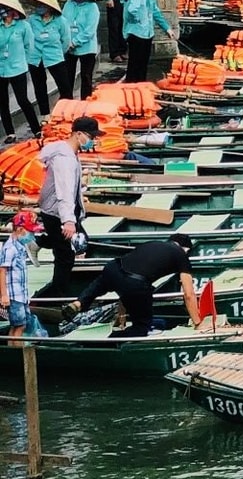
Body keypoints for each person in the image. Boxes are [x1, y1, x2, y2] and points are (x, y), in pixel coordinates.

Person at [66, 234, 196, 338]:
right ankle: (111, 339)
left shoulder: (152, 244)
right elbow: (189, 294)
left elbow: (128, 273)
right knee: (140, 328)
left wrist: (122, 314)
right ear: (186, 249)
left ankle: (78, 303)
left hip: (113, 268)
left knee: (96, 288)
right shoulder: (180, 255)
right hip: (135, 283)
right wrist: (198, 323)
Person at [34, 115, 95, 297]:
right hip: (57, 212)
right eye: (91, 137)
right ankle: (58, 297)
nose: (93, 141)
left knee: (81, 242)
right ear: (78, 134)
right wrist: (68, 220)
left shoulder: (70, 153)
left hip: (63, 210)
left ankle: (38, 242)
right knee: (65, 256)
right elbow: (64, 191)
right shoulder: (65, 159)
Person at [120, 0, 171, 82]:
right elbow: (131, 10)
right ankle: (132, 85)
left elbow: (155, 12)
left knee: (143, 62)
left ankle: (141, 83)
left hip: (147, 33)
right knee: (135, 63)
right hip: (136, 33)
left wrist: (166, 28)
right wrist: (139, 20)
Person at [0, 0, 39, 139]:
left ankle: (36, 129)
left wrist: (25, 62)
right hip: (1, 68)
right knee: (3, 103)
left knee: (22, 100)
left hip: (18, 68)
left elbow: (29, 46)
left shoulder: (23, 26)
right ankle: (10, 132)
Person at [3, 210, 46, 337]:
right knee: (20, 325)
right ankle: (17, 353)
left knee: (18, 325)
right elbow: (2, 270)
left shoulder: (20, 247)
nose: (32, 235)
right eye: (30, 231)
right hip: (14, 295)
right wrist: (4, 295)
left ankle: (14, 350)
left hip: (20, 294)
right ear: (21, 230)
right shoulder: (9, 248)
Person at [25, 0, 70, 112]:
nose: (39, 8)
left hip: (55, 56)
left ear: (49, 7)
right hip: (35, 58)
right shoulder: (32, 20)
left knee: (64, 86)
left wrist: (58, 52)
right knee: (39, 88)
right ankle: (45, 113)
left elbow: (65, 40)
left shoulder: (60, 21)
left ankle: (67, 111)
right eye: (38, 5)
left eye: (42, 5)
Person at [61, 0, 101, 100]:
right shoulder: (68, 4)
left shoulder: (92, 7)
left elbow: (90, 30)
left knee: (86, 77)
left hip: (87, 47)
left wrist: (75, 42)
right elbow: (63, 22)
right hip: (69, 47)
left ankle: (85, 102)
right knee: (68, 77)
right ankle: (67, 102)